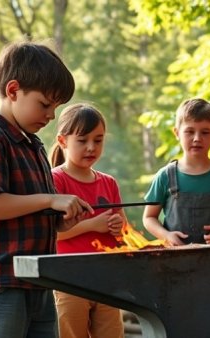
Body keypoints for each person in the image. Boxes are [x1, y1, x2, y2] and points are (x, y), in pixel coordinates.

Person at [0, 40, 93, 338]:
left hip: (38, 284)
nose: (50, 115)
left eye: (55, 108)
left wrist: (61, 219)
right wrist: (50, 198)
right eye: (44, 104)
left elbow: (33, 211)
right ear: (12, 91)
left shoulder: (34, 146)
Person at [49, 103, 126, 338]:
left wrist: (116, 227)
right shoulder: (55, 180)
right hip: (68, 279)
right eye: (82, 140)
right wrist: (93, 225)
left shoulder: (109, 183)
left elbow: (123, 230)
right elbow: (53, 233)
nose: (91, 147)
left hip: (107, 279)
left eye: (98, 140)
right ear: (63, 141)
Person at [142, 98, 210, 246]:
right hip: (175, 259)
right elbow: (149, 218)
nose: (197, 138)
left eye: (205, 132)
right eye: (189, 132)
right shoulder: (165, 176)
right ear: (177, 133)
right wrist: (166, 235)